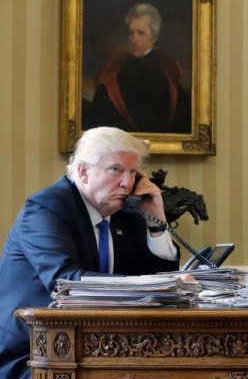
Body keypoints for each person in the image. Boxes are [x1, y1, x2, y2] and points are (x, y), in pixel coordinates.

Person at [0, 126, 181, 379]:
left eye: (132, 173)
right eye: (116, 170)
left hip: (100, 347)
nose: (127, 183)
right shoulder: (46, 209)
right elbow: (65, 282)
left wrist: (156, 221)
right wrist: (143, 286)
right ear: (84, 172)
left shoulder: (127, 216)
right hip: (33, 352)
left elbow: (157, 279)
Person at [88, 3, 191, 134]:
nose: (134, 39)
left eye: (141, 33)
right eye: (131, 33)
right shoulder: (115, 67)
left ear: (154, 37)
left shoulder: (167, 70)